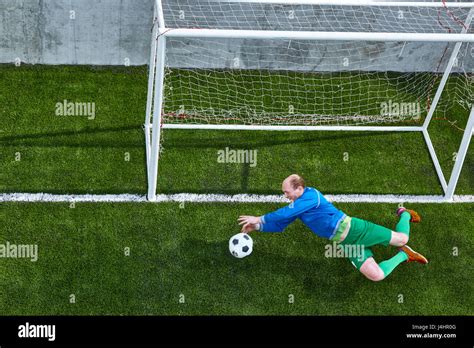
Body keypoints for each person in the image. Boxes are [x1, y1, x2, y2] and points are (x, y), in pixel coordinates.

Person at [238, 174, 428, 281]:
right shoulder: (298, 206)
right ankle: (405, 255)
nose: (285, 196)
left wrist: (259, 217)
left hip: (356, 230)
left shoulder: (311, 196)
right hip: (345, 242)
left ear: (299, 188)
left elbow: (285, 213)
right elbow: (280, 224)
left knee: (403, 238)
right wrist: (258, 227)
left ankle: (404, 213)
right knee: (376, 275)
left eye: (287, 192)